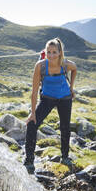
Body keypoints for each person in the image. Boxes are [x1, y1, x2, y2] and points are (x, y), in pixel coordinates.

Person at [24, 38, 77, 174]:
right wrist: (32, 112)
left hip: (65, 98)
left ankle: (65, 157)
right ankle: (29, 160)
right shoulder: (40, 66)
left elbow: (75, 68)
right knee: (32, 124)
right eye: (48, 52)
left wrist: (71, 87)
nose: (51, 55)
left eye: (54, 52)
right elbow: (35, 90)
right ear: (45, 52)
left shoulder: (66, 64)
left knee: (65, 127)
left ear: (60, 53)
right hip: (47, 98)